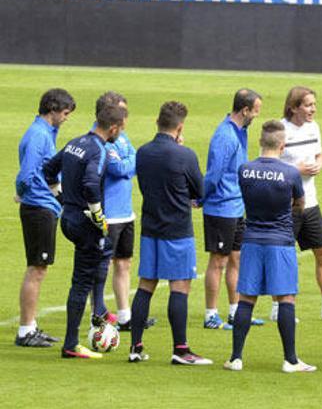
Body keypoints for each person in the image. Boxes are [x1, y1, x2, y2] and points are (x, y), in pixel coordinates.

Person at [223, 120, 317, 373]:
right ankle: (291, 360)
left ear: (260, 141)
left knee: (246, 299)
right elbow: (300, 203)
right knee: (285, 297)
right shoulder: (290, 173)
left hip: (252, 238)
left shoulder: (245, 170)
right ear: (283, 145)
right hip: (280, 241)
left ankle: (235, 358)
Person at [128, 101, 211, 365]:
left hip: (150, 228)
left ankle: (135, 346)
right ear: (180, 127)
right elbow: (200, 191)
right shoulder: (184, 155)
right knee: (180, 287)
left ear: (157, 122)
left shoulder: (142, 152)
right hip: (177, 230)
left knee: (145, 285)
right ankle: (181, 350)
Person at [44, 103, 127, 359]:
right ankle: (71, 344)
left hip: (68, 218)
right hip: (84, 224)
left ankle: (99, 314)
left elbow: (49, 170)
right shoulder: (100, 150)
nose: (120, 134)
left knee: (97, 262)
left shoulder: (74, 142)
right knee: (81, 282)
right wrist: (97, 215)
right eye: (120, 130)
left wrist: (62, 199)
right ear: (112, 128)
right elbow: (91, 184)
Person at [275, 86, 322, 322]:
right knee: (285, 255)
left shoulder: (314, 127)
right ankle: (279, 307)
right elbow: (270, 164)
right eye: (308, 105)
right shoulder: (280, 130)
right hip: (287, 205)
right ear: (294, 107)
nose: (313, 109)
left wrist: (319, 163)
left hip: (310, 201)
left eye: (314, 105)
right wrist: (295, 170)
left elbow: (319, 154)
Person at [86, 92, 155, 332]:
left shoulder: (122, 137)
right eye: (122, 112)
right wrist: (130, 163)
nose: (126, 118)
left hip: (126, 213)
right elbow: (118, 168)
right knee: (101, 265)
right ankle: (97, 313)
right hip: (109, 214)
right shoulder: (99, 140)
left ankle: (125, 316)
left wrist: (130, 162)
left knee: (124, 263)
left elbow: (133, 159)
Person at [14, 88, 76, 347]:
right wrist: (22, 192)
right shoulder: (39, 136)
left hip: (44, 207)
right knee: (37, 269)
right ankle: (25, 330)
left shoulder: (44, 133)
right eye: (64, 113)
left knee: (39, 268)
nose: (66, 118)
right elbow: (27, 174)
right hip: (39, 209)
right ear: (52, 110)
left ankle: (31, 327)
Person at [202, 89, 263, 330]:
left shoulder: (241, 131)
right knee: (218, 261)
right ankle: (210, 315)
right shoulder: (225, 136)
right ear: (245, 110)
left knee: (236, 258)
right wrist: (201, 197)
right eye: (255, 112)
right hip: (221, 208)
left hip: (237, 206)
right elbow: (214, 173)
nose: (256, 116)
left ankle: (235, 311)